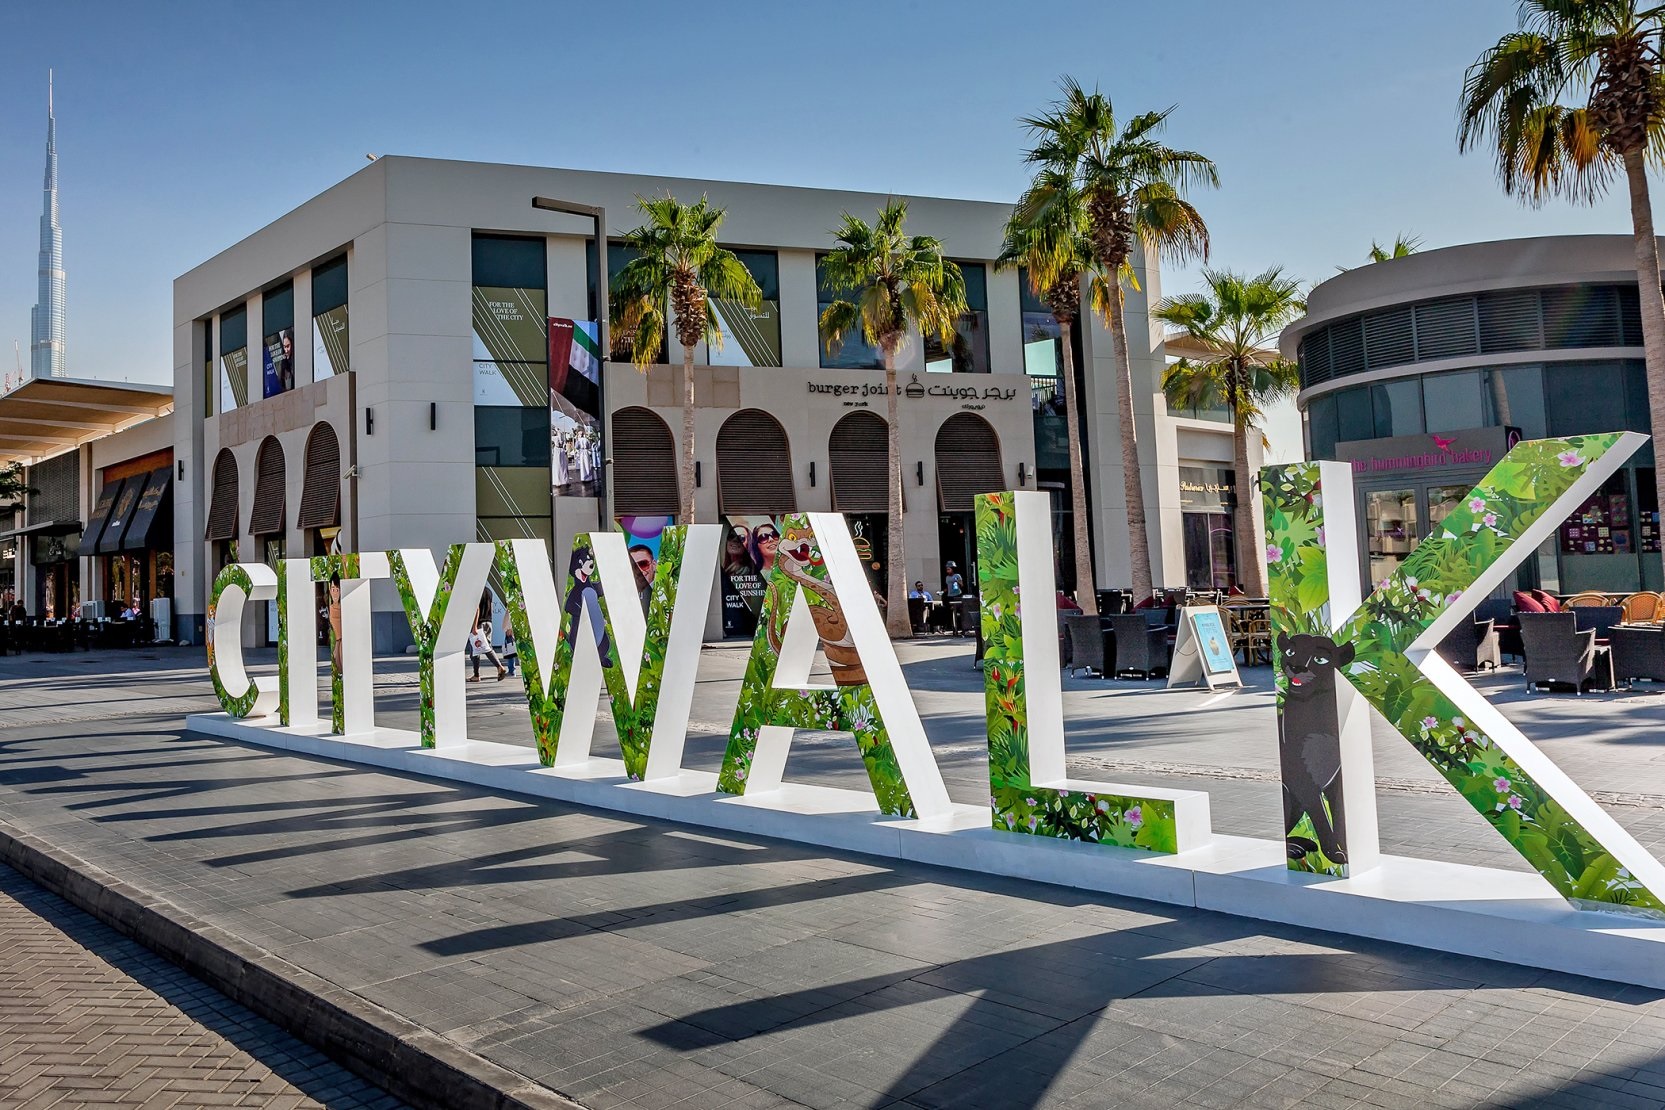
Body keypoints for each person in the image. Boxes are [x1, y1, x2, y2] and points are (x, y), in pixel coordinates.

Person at [469, 615, 507, 681]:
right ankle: (499, 667)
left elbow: (477, 608)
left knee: (475, 650)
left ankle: (476, 675)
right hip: (488, 621)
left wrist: (474, 626)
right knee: (487, 647)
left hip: (479, 623)